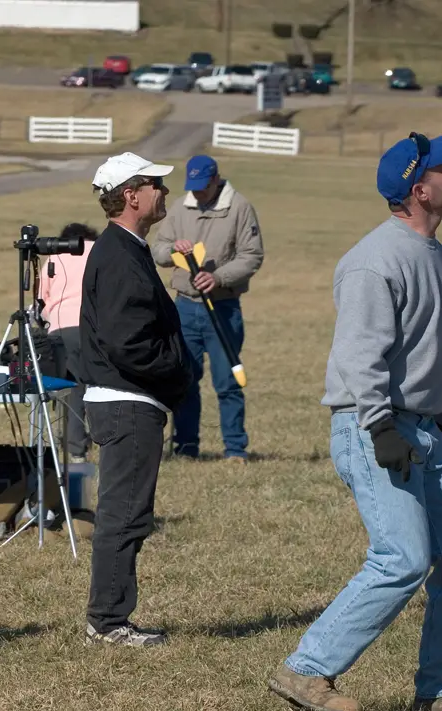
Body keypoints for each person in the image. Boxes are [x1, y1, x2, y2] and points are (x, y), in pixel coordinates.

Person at [268, 133, 442, 711]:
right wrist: (381, 426)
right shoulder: (376, 259)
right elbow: (359, 353)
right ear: (420, 190)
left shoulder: (431, 253)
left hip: (427, 429)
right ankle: (307, 670)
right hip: (377, 429)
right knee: (404, 558)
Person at [79, 151, 193, 647]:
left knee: (129, 513)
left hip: (130, 401)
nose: (164, 191)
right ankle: (108, 622)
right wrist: (178, 369)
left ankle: (110, 618)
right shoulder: (120, 254)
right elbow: (129, 343)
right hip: (127, 402)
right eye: (156, 184)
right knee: (124, 514)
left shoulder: (128, 249)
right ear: (131, 195)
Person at [151, 155, 264, 462]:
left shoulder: (239, 207)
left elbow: (252, 256)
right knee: (186, 379)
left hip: (223, 307)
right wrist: (173, 249)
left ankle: (235, 448)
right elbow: (158, 248)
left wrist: (218, 277)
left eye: (203, 187)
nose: (198, 193)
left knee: (227, 382)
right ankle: (186, 447)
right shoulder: (180, 208)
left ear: (216, 180)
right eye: (194, 187)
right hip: (184, 308)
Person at [37, 222, 99, 464]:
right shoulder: (98, 251)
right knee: (99, 385)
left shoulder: (55, 257)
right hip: (95, 325)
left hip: (61, 327)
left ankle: (75, 448)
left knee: (72, 388)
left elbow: (41, 299)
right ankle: (102, 438)